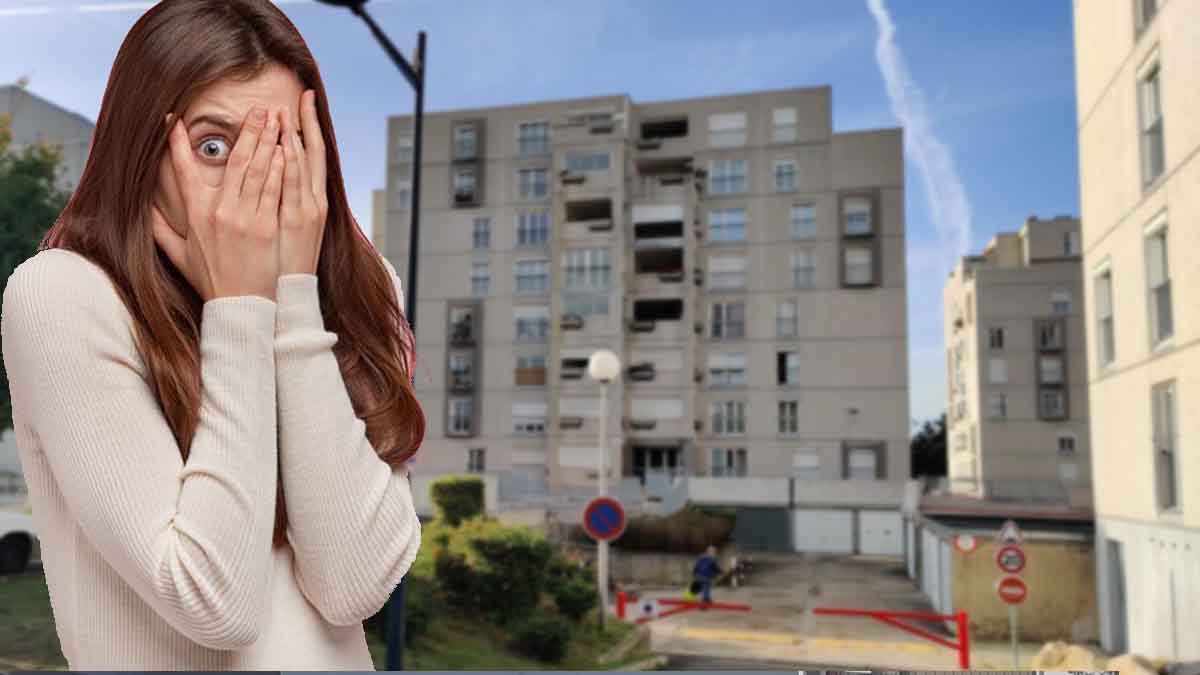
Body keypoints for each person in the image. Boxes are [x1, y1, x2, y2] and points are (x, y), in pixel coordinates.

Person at [0, 0, 426, 668]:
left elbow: (352, 586)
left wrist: (293, 304)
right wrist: (240, 309)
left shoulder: (362, 287)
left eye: (281, 146)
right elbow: (214, 602)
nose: (252, 183)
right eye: (215, 146)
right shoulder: (63, 295)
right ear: (144, 148)